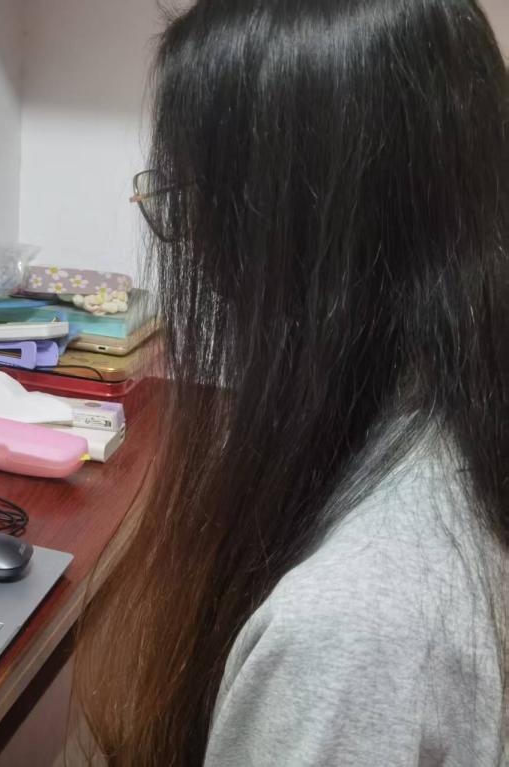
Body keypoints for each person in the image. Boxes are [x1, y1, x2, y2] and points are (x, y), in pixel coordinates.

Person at [74, 1, 509, 765]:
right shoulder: (456, 426)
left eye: (193, 204)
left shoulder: (347, 632)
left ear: (292, 236)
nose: (196, 249)